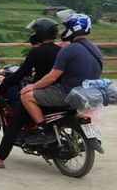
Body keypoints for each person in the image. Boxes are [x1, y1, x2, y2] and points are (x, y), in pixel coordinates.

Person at [0, 18, 61, 168]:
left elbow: (20, 74)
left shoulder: (38, 52)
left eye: (36, 32)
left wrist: (4, 81)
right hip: (57, 93)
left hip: (40, 93)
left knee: (14, 122)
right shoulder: (60, 50)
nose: (34, 34)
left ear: (41, 33)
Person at [20, 12, 102, 145]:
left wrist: (32, 86)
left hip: (68, 93)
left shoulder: (68, 50)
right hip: (90, 93)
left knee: (26, 96)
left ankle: (43, 131)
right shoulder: (95, 49)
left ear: (74, 29)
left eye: (66, 28)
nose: (64, 31)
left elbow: (51, 78)